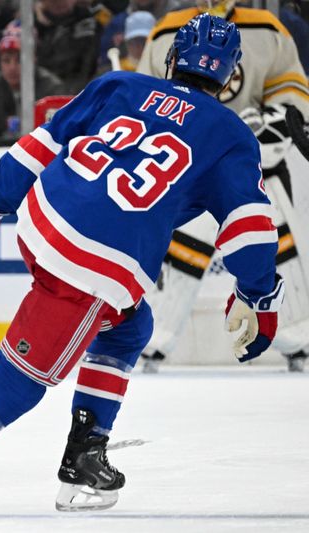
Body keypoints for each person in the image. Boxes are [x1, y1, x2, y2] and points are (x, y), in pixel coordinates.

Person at [0, 14, 284, 513]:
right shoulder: (232, 135)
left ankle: (86, 456)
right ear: (230, 75)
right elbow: (250, 231)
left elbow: (40, 144)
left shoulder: (120, 84)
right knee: (22, 378)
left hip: (44, 222)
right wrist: (259, 298)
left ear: (172, 58)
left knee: (130, 325)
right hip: (95, 264)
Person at [136, 0, 309, 373]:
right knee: (185, 245)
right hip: (189, 165)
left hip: (257, 167)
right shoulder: (168, 29)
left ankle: (299, 340)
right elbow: (147, 102)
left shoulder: (267, 29)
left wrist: (268, 124)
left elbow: (294, 103)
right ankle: (154, 340)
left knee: (273, 240)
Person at [0, 31, 64, 137]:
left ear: (33, 61)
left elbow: (58, 130)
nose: (12, 67)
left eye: (19, 60)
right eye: (6, 60)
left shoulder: (51, 88)